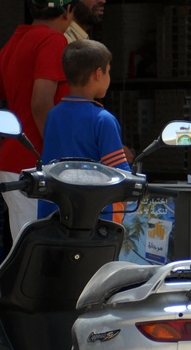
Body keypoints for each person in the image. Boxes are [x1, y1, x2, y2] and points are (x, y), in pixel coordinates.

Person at [0, 0, 78, 243]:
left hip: (16, 165)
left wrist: (0, 153)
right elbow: (40, 102)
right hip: (40, 170)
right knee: (41, 261)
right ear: (68, 10)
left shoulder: (16, 42)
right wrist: (59, 157)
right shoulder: (54, 41)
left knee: (28, 254)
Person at [38, 40, 130, 223]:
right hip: (92, 223)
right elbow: (121, 176)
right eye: (108, 71)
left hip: (53, 218)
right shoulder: (103, 120)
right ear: (98, 74)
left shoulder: (54, 116)